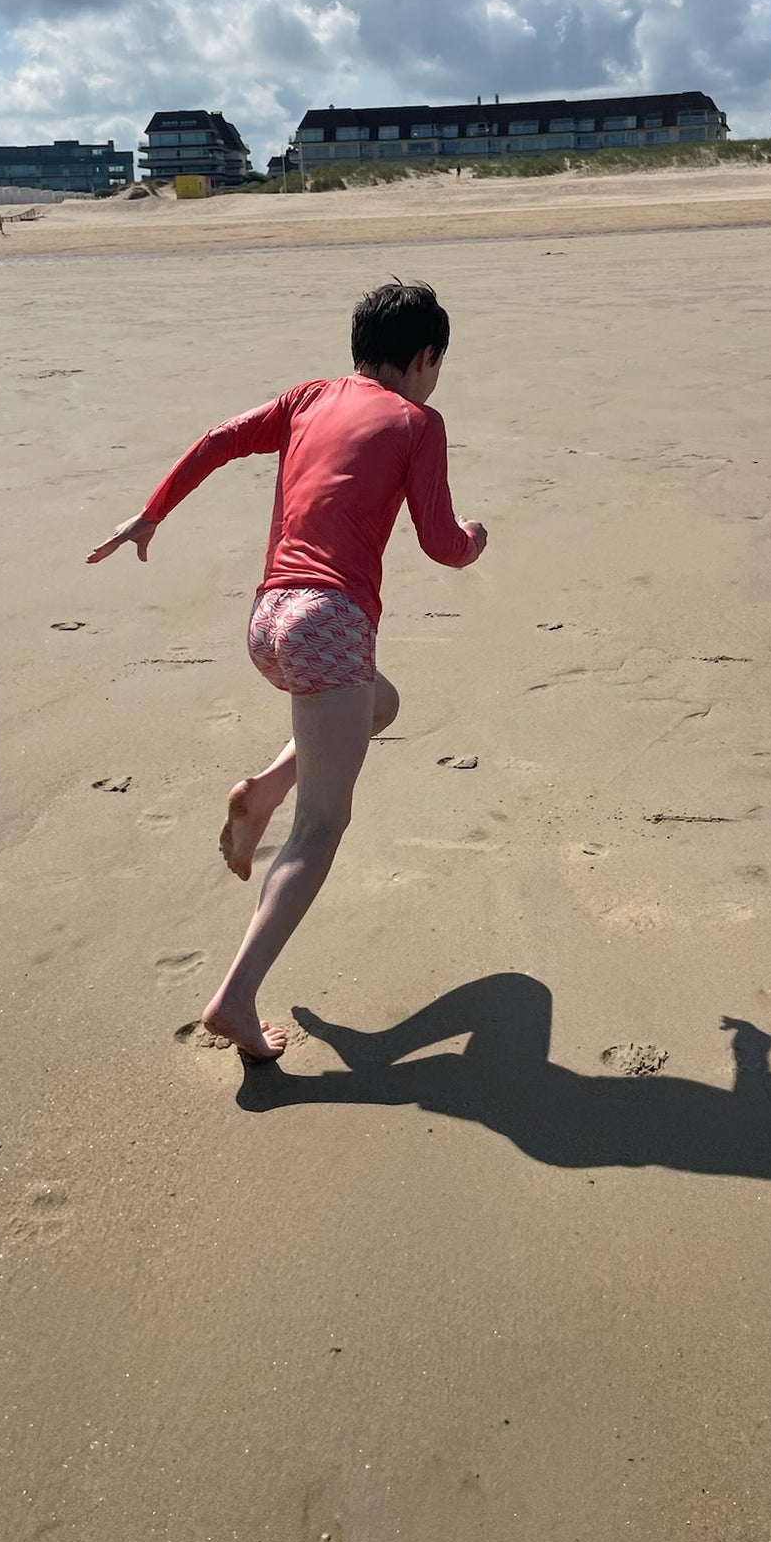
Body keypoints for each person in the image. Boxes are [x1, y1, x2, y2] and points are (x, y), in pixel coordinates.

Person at [86, 281, 487, 1057]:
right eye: (438, 366)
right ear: (424, 357)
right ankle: (235, 999)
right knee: (323, 825)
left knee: (380, 704)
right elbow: (442, 543)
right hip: (329, 622)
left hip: (269, 620)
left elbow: (218, 439)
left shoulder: (308, 397)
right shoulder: (418, 422)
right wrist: (475, 539)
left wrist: (152, 512)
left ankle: (263, 790)